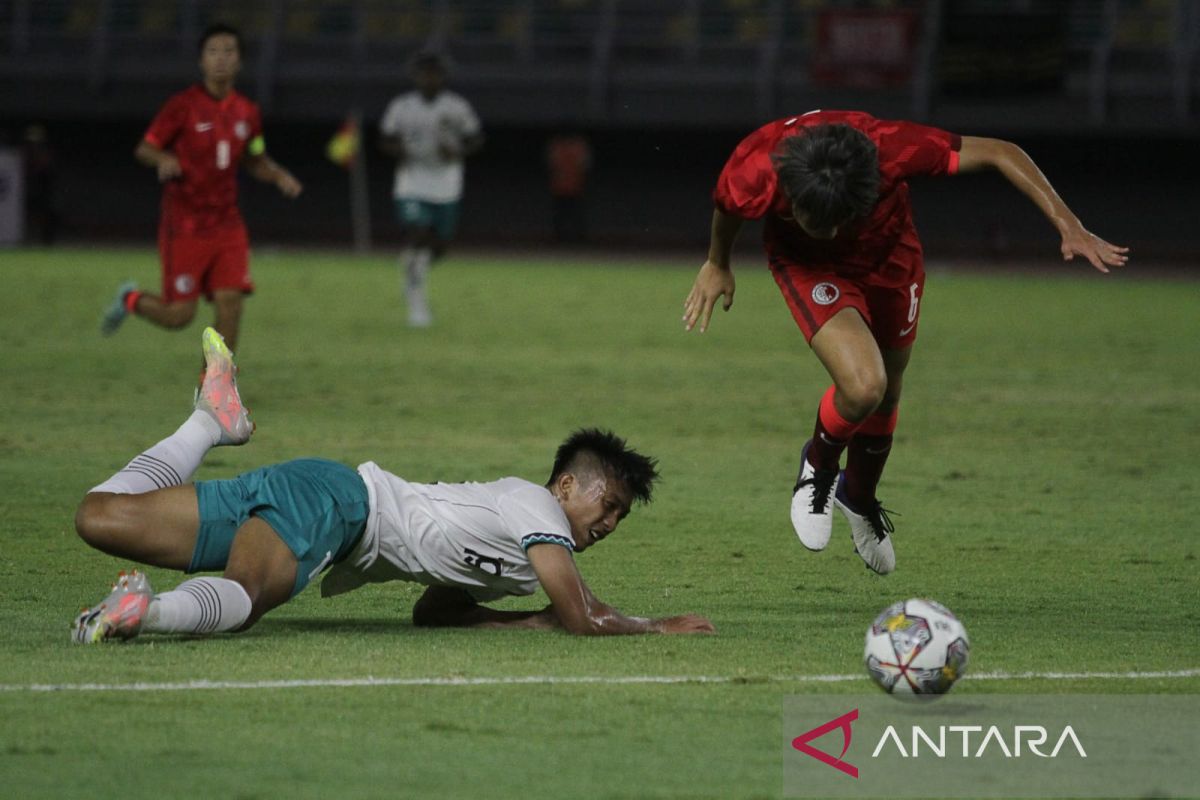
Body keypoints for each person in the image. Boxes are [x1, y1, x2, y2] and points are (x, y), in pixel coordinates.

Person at [682, 110, 1128, 574]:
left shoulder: (892, 148)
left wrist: (1067, 223)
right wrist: (718, 262)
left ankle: (859, 498)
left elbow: (1000, 151)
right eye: (818, 220)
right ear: (790, 194)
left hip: (891, 259)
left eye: (841, 220)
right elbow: (728, 205)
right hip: (810, 266)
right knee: (864, 385)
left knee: (889, 389)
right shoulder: (756, 166)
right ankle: (818, 465)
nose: (831, 232)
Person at [72, 328, 714, 643]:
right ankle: (145, 614)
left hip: (315, 487)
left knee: (99, 516)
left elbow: (437, 612)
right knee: (244, 596)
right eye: (610, 505)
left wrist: (532, 621)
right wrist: (658, 627)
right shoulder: (534, 505)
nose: (609, 524)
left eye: (620, 519)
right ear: (569, 485)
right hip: (341, 508)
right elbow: (584, 617)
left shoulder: (523, 546)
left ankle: (209, 422)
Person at [100, 23, 303, 362]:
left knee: (231, 304)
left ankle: (215, 388)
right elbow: (145, 148)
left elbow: (254, 157)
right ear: (201, 61)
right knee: (179, 316)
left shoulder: (247, 113)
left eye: (229, 51)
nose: (221, 58)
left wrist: (278, 175)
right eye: (213, 51)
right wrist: (163, 158)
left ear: (239, 61)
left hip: (227, 224)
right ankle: (130, 300)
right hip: (185, 225)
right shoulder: (182, 106)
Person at [379, 51, 483, 327]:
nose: (429, 78)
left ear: (443, 76)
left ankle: (413, 268)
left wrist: (458, 150)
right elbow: (387, 139)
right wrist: (397, 149)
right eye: (424, 73)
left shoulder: (457, 107)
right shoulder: (401, 107)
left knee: (439, 246)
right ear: (415, 76)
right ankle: (417, 303)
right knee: (418, 234)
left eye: (434, 73)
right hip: (412, 181)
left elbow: (475, 138)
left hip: (446, 184)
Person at [546, 132, 592, 243]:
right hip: (560, 188)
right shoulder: (557, 145)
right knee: (560, 216)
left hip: (575, 187)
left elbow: (585, 165)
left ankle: (579, 240)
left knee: (577, 216)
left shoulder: (579, 146)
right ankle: (560, 239)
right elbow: (551, 164)